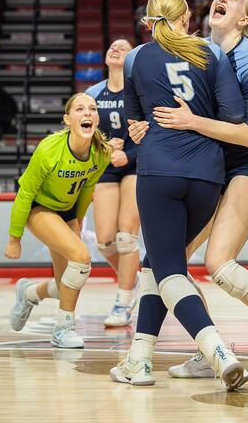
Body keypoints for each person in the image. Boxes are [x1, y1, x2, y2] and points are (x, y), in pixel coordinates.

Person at [129, 0, 248, 382]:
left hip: (246, 164)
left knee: (218, 262)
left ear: (245, 19)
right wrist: (147, 123)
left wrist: (190, 122)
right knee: (163, 265)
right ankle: (205, 347)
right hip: (206, 166)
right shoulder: (194, 48)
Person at [109, 0, 248, 390]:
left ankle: (217, 351)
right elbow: (236, 115)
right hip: (207, 176)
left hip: (160, 173)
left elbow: (135, 121)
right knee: (157, 264)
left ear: (148, 22)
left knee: (169, 270)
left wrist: (142, 127)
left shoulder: (136, 57)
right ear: (187, 18)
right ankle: (140, 360)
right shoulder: (212, 53)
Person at [5, 93, 111, 347]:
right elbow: (25, 193)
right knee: (81, 259)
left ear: (96, 118)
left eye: (92, 109)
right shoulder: (49, 149)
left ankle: (29, 293)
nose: (87, 113)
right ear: (67, 119)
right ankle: (63, 328)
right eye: (80, 109)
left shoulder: (102, 153)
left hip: (67, 212)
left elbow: (86, 189)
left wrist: (78, 220)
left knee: (67, 284)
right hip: (38, 208)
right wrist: (14, 238)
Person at [83, 40, 141, 328]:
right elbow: (81, 135)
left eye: (123, 47)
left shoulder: (140, 88)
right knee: (105, 241)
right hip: (106, 166)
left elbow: (153, 131)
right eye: (112, 47)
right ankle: (134, 278)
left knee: (126, 237)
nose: (115, 49)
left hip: (136, 163)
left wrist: (126, 154)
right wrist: (105, 149)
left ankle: (123, 300)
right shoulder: (92, 94)